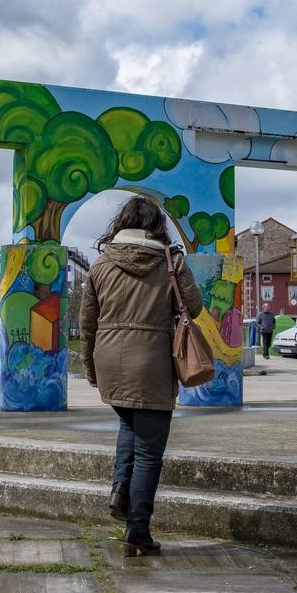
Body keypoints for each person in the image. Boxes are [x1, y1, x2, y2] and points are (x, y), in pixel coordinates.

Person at [79, 197, 203, 557]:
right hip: (151, 363)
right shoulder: (170, 261)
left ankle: (120, 488)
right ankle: (138, 530)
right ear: (157, 225)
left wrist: (90, 370)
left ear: (122, 222)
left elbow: (87, 324)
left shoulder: (101, 264)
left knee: (130, 427)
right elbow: (193, 306)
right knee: (149, 451)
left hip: (110, 361)